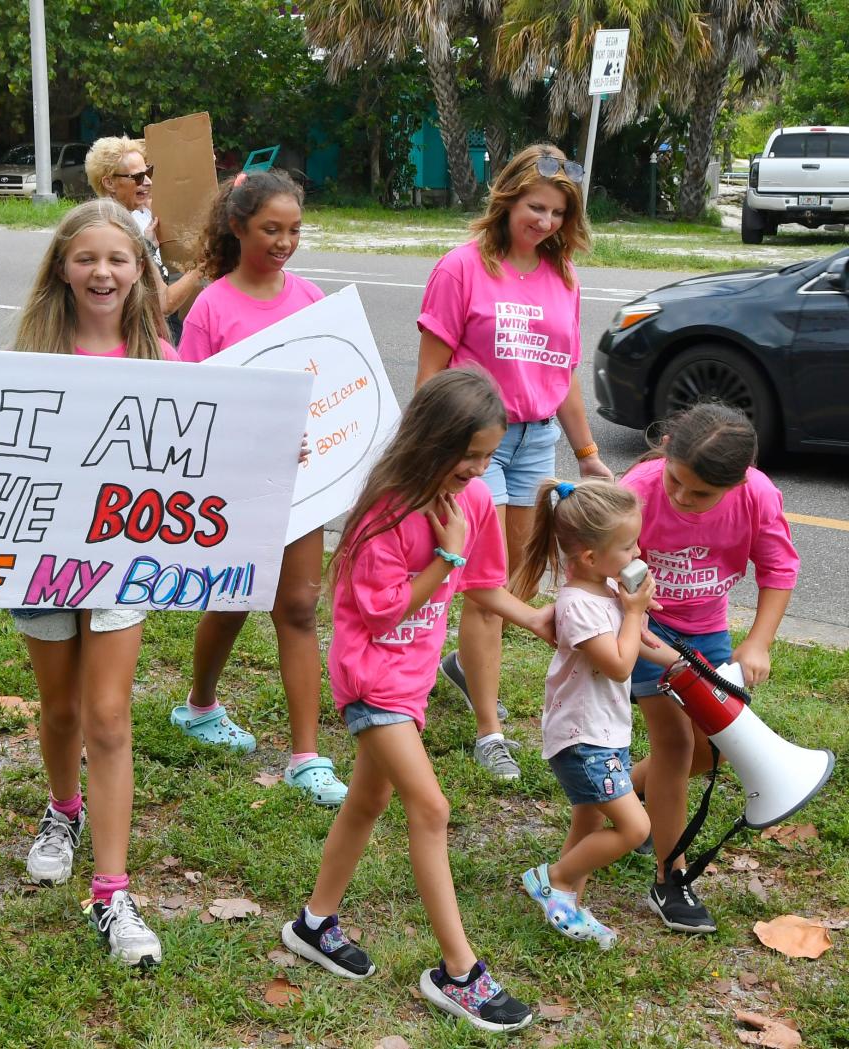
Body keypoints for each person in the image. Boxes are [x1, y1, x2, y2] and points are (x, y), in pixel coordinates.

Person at [0, 198, 176, 967]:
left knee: (109, 717)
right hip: (40, 562)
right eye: (87, 257)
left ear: (140, 271)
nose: (103, 271)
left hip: (122, 563)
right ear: (61, 266)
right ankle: (63, 808)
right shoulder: (25, 361)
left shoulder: (164, 364)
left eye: (118, 259)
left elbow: (203, 461)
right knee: (59, 709)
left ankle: (112, 890)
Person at [280, 369, 555, 1033]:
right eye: (471, 456)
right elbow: (380, 616)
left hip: (412, 681)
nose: (481, 469)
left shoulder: (476, 501)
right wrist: (447, 560)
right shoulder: (387, 510)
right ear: (431, 442)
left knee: (369, 799)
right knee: (429, 806)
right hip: (370, 677)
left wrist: (537, 619)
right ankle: (460, 973)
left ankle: (314, 923)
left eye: (490, 456)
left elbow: (484, 586)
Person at [415, 143, 613, 781]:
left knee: (516, 583)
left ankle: (464, 667)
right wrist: (437, 456)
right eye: (536, 207)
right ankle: (488, 728)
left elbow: (563, 374)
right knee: (484, 588)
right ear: (506, 200)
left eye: (558, 212)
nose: (546, 222)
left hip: (537, 445)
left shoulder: (564, 276)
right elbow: (430, 377)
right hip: (477, 446)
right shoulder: (461, 268)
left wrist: (588, 454)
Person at [172, 169, 347, 806]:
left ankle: (307, 756)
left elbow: (331, 387)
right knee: (232, 600)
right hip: (238, 487)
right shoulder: (212, 305)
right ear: (237, 227)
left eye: (294, 229)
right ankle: (200, 705)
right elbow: (191, 405)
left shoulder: (310, 297)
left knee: (299, 610)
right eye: (270, 229)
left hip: (303, 488)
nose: (284, 241)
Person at [621, 402, 800, 934]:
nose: (681, 497)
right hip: (646, 630)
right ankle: (669, 877)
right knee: (674, 745)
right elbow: (611, 564)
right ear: (668, 446)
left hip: (709, 634)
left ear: (738, 480)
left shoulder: (758, 496)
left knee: (708, 749)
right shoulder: (640, 486)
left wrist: (759, 642)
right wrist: (636, 620)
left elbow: (778, 567)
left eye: (699, 494)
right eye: (676, 480)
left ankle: (623, 797)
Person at [510, 479, 679, 948]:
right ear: (589, 556)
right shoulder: (578, 606)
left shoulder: (607, 590)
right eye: (627, 546)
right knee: (634, 827)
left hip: (605, 732)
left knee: (589, 820)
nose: (638, 552)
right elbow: (621, 661)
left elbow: (644, 643)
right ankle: (554, 878)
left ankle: (568, 907)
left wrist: (691, 666)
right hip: (583, 739)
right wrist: (633, 614)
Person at [85, 135, 204, 331]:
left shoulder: (134, 215)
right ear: (109, 183)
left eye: (149, 172)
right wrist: (202, 266)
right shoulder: (113, 229)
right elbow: (164, 304)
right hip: (143, 335)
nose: (148, 181)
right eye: (138, 177)